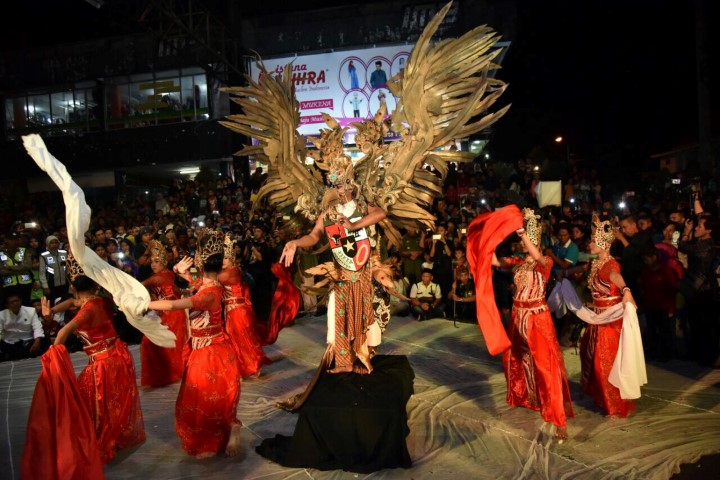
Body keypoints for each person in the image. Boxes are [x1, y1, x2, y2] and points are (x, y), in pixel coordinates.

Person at [279, 156, 386, 375]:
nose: (338, 190)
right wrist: (295, 243)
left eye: (341, 184)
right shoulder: (328, 213)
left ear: (351, 182)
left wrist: (354, 225)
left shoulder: (363, 204)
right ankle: (344, 362)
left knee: (363, 312)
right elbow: (314, 235)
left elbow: (381, 213)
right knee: (336, 312)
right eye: (335, 186)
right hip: (340, 272)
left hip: (362, 272)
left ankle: (363, 358)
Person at [42, 254, 146, 463]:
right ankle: (114, 436)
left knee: (94, 403)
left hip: (103, 363)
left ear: (72, 284)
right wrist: (52, 311)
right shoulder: (100, 301)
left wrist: (52, 353)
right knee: (112, 403)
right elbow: (73, 302)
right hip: (117, 356)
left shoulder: (87, 310)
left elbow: (66, 331)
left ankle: (102, 440)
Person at [148, 231, 242, 458]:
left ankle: (219, 436)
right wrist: (178, 271)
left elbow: (175, 305)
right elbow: (191, 284)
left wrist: (144, 303)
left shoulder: (209, 292)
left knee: (206, 398)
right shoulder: (206, 285)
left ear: (200, 263)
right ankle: (226, 432)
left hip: (211, 351)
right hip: (206, 348)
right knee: (208, 398)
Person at [494, 208, 574, 441]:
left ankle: (559, 420)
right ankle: (528, 397)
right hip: (518, 316)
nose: (521, 244)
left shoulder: (546, 261)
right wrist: (483, 241)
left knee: (546, 368)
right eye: (521, 239)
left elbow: (537, 256)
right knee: (515, 358)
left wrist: (522, 233)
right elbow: (495, 261)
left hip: (537, 318)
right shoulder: (518, 262)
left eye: (526, 239)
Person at [218, 233, 271, 378]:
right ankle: (243, 368)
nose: (223, 261)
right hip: (231, 312)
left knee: (244, 340)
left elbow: (212, 280)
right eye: (222, 258)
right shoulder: (227, 271)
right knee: (236, 341)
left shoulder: (231, 272)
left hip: (238, 311)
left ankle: (253, 366)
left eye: (226, 258)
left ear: (233, 259)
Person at [139, 239, 188, 388]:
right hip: (167, 312)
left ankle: (168, 374)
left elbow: (139, 286)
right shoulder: (166, 274)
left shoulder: (160, 276)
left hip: (171, 313)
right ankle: (168, 373)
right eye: (152, 261)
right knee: (162, 343)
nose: (153, 264)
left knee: (161, 342)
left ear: (164, 263)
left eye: (157, 261)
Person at [0, 290, 44, 361]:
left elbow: (37, 327)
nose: (15, 303)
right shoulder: (1, 315)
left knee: (45, 339)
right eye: (12, 302)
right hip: (9, 343)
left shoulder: (31, 311)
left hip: (28, 342)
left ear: (20, 301)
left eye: (17, 301)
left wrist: (37, 342)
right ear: (7, 305)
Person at [0, 232, 34, 307]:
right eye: (12, 239)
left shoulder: (24, 250)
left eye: (17, 239)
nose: (15, 241)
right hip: (9, 285)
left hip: (25, 283)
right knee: (12, 307)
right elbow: (1, 271)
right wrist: (20, 270)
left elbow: (28, 265)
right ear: (6, 240)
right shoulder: (1, 252)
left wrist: (11, 267)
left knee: (26, 305)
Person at [38, 235, 69, 303]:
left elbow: (67, 269)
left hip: (64, 285)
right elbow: (42, 273)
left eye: (56, 242)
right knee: (53, 303)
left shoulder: (64, 253)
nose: (54, 244)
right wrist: (45, 286)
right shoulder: (44, 255)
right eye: (51, 243)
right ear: (47, 244)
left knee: (65, 302)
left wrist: (70, 283)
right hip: (51, 285)